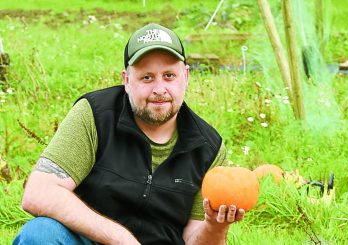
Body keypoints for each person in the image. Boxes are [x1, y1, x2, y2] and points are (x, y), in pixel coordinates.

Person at [13, 23, 245, 245]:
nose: (159, 89)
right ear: (126, 80)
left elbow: (194, 240)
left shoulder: (208, 148)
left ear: (186, 76)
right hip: (90, 241)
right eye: (147, 77)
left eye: (169, 76)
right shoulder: (95, 115)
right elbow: (39, 192)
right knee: (40, 234)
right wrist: (120, 238)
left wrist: (215, 226)